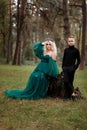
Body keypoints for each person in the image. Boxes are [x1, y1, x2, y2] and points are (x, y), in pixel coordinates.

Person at [62, 36, 81, 100]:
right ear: (67, 42)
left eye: (72, 41)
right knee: (66, 82)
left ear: (74, 42)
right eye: (69, 41)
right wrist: (63, 67)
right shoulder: (66, 50)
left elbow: (79, 60)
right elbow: (64, 59)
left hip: (72, 68)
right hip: (65, 68)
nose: (70, 42)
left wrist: (75, 67)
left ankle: (68, 97)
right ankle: (73, 94)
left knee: (70, 82)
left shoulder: (76, 50)